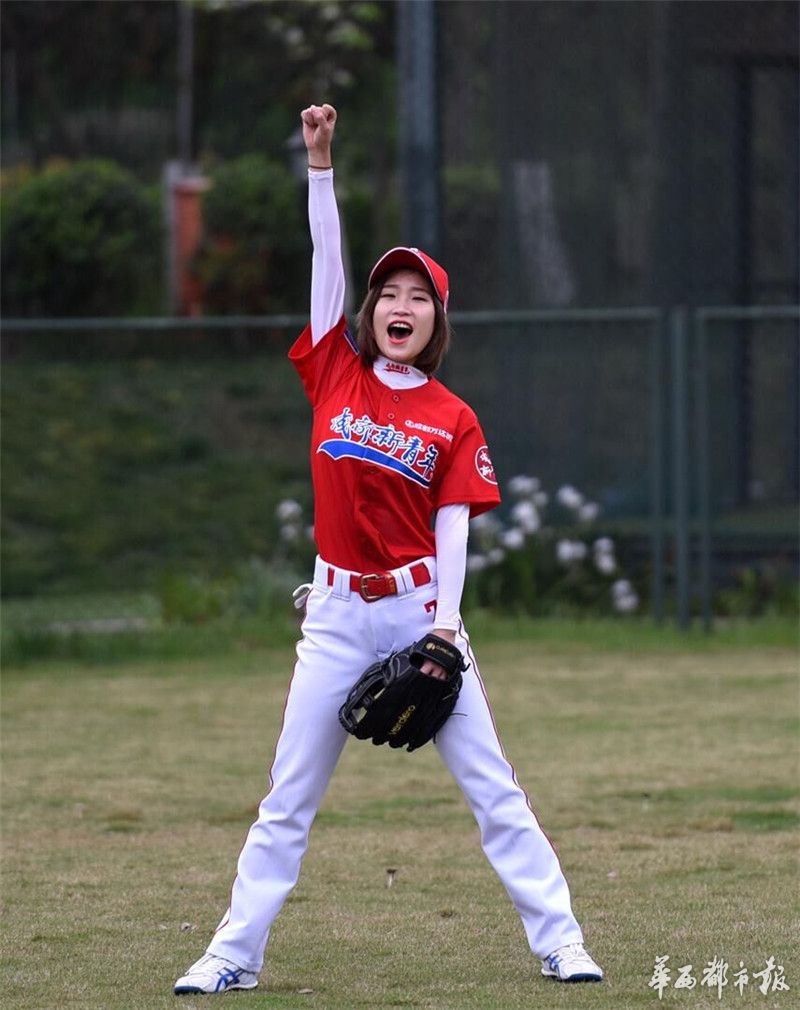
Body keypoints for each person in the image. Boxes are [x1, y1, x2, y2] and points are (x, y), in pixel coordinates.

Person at [174, 103, 603, 996]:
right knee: (287, 800)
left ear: (436, 320)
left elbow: (454, 524)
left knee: (495, 792)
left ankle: (562, 942)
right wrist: (321, 171)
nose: (400, 305)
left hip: (418, 616)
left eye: (419, 296)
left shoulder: (452, 417)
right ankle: (232, 955)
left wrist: (446, 629)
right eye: (389, 294)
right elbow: (326, 264)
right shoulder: (334, 368)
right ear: (367, 313)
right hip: (333, 615)